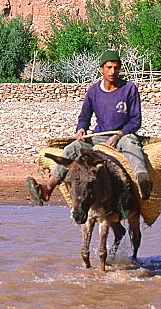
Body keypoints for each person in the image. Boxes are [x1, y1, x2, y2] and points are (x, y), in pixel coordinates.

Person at [27, 49, 152, 204]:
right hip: (97, 137)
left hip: (123, 135)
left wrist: (119, 135)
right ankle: (47, 188)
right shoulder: (93, 91)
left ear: (119, 69)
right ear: (102, 69)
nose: (113, 71)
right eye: (109, 67)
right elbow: (84, 117)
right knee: (71, 148)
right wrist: (80, 129)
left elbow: (135, 120)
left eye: (116, 68)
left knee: (132, 145)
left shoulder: (129, 88)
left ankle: (142, 181)